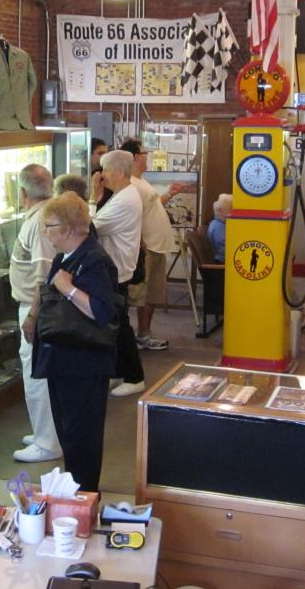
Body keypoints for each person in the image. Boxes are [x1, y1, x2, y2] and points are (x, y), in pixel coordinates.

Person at [30, 193, 118, 492]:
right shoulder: (63, 257)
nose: (46, 231)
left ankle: (84, 501)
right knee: (69, 436)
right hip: (62, 362)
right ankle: (75, 499)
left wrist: (67, 289)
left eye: (49, 225)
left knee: (82, 439)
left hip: (83, 365)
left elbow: (102, 311)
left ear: (68, 227)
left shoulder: (93, 260)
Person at [9, 165, 63, 464]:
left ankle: (47, 441)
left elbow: (44, 275)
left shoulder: (39, 221)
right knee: (36, 373)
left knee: (37, 375)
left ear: (23, 193)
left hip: (35, 308)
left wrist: (32, 315)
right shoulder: (43, 216)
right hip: (34, 306)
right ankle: (45, 432)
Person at [93, 150, 146, 396]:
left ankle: (135, 377)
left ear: (117, 171)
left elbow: (92, 227)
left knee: (120, 326)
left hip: (117, 271)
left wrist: (93, 199)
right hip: (117, 268)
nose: (102, 175)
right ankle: (117, 371)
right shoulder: (123, 194)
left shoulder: (125, 199)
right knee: (114, 324)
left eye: (104, 169)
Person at [119, 139, 177, 352]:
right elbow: (132, 216)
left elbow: (151, 208)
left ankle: (144, 334)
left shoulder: (140, 182)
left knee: (151, 294)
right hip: (147, 248)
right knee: (141, 295)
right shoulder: (131, 183)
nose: (147, 156)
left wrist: (170, 194)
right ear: (135, 157)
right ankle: (136, 336)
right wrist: (140, 242)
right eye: (144, 152)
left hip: (156, 247)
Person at [208, 194, 231, 263]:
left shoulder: (217, 223)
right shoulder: (219, 226)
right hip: (222, 261)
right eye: (230, 209)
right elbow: (225, 246)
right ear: (220, 210)